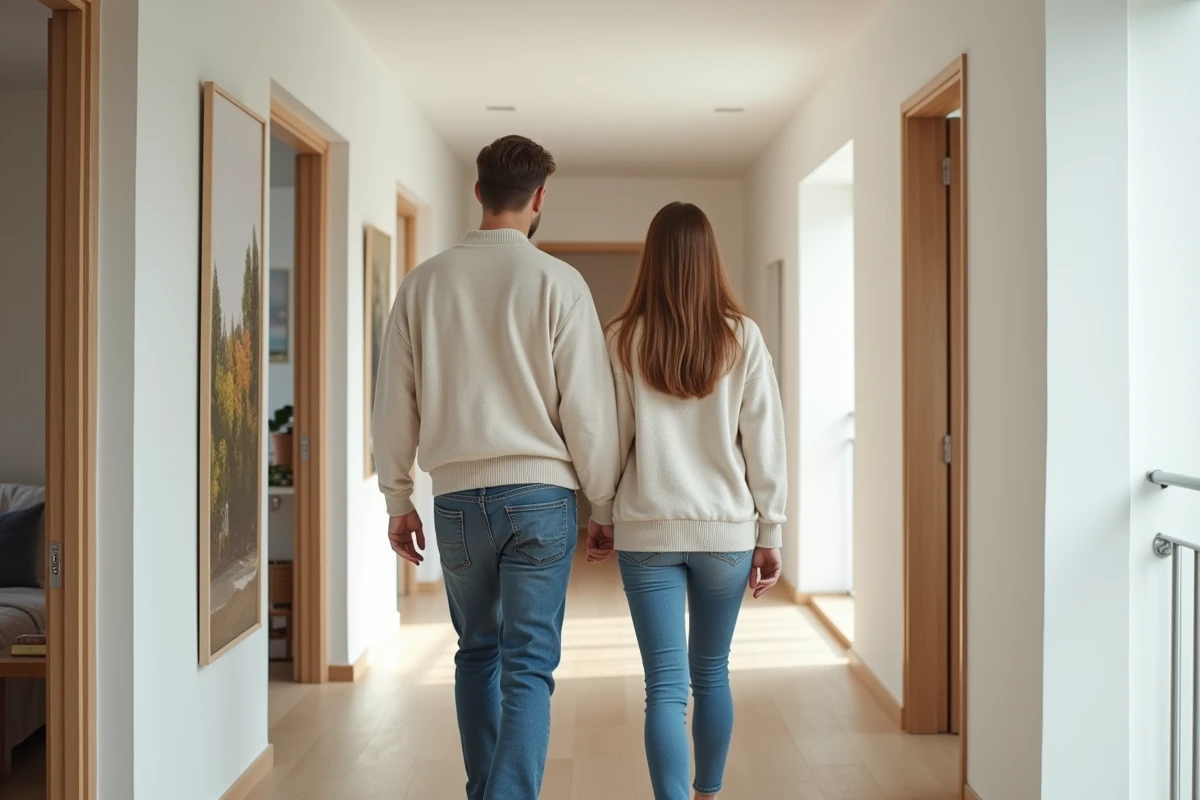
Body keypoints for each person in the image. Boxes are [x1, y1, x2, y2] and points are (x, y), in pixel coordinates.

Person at [372, 134, 620, 800]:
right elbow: (588, 412)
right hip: (541, 498)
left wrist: (398, 497)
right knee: (529, 666)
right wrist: (605, 505)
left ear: (478, 191)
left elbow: (393, 400)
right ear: (540, 199)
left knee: (477, 651)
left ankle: (487, 790)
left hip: (454, 501)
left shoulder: (423, 283)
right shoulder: (559, 284)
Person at [587, 202, 786, 800]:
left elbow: (609, 440)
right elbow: (765, 441)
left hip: (647, 532)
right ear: (709, 260)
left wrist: (600, 515)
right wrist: (770, 531)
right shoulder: (741, 336)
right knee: (712, 672)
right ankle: (708, 792)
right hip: (726, 532)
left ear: (652, 259)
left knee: (665, 686)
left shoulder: (622, 337)